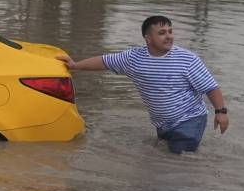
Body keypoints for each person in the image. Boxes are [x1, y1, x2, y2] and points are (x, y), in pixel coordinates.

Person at [56, 15, 229, 154]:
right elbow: (104, 61)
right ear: (148, 38)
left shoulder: (187, 59)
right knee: (164, 158)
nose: (169, 36)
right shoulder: (134, 58)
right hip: (162, 123)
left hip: (190, 120)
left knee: (176, 163)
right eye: (162, 33)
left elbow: (210, 87)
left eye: (170, 31)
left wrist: (221, 112)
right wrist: (74, 65)